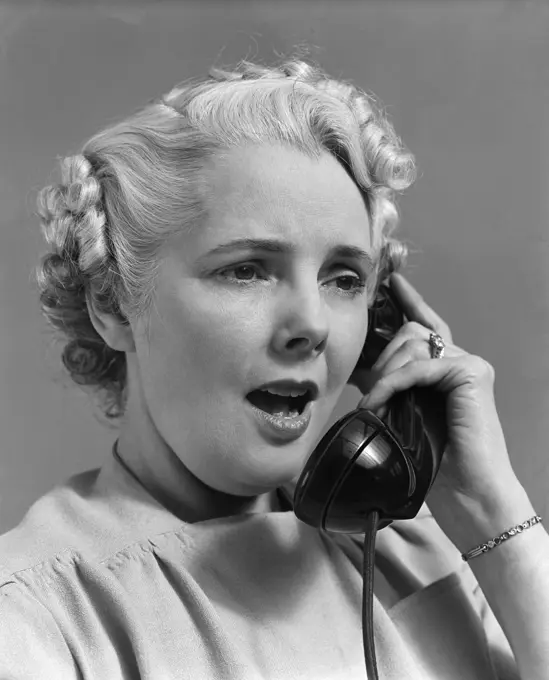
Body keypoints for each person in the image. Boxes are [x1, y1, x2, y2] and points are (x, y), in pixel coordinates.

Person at [0, 57, 547, 680]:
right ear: (114, 302)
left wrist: (495, 516)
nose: (311, 325)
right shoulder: (34, 616)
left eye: (344, 280)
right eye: (247, 270)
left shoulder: (425, 550)